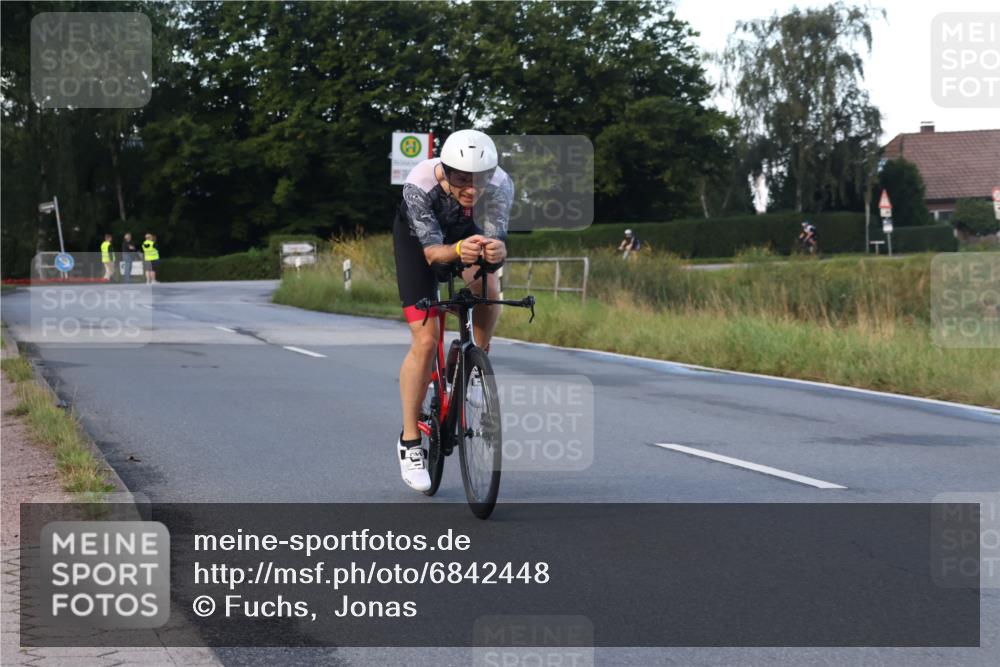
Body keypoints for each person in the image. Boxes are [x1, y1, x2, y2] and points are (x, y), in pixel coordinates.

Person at [393, 129, 513, 492]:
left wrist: (497, 251)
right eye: (462, 180)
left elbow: (497, 239)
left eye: (480, 180)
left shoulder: (502, 184)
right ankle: (410, 441)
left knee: (489, 289)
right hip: (419, 244)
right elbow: (434, 254)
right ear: (445, 172)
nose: (472, 190)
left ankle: (475, 362)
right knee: (426, 341)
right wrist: (459, 249)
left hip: (467, 236)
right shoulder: (420, 184)